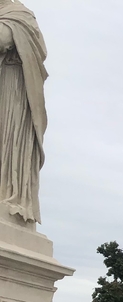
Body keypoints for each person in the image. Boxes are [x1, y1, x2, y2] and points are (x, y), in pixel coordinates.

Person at [0, 0, 47, 225]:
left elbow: (2, 39)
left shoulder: (18, 14)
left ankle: (11, 195)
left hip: (13, 89)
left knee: (8, 142)